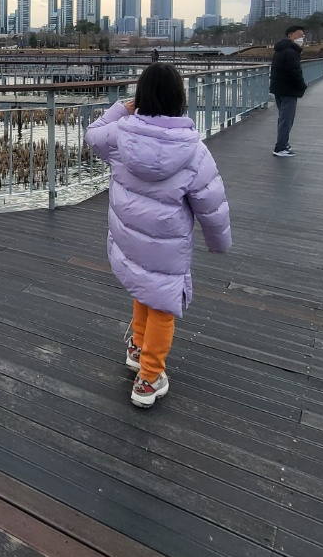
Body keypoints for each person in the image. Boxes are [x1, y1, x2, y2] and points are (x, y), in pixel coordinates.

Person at [85, 63, 231, 408]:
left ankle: (138, 348)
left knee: (141, 286)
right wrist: (218, 242)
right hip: (168, 246)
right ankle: (149, 378)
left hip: (129, 238)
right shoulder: (193, 148)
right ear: (179, 99)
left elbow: (93, 133)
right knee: (164, 304)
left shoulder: (121, 135)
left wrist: (122, 107)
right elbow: (211, 202)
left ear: (142, 96)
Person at [270, 26, 306, 157]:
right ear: (290, 35)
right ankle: (280, 147)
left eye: (303, 36)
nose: (302, 38)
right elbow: (294, 71)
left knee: (283, 118)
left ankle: (283, 143)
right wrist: (302, 86)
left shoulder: (280, 50)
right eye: (299, 35)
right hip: (288, 89)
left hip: (279, 88)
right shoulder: (291, 52)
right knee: (287, 119)